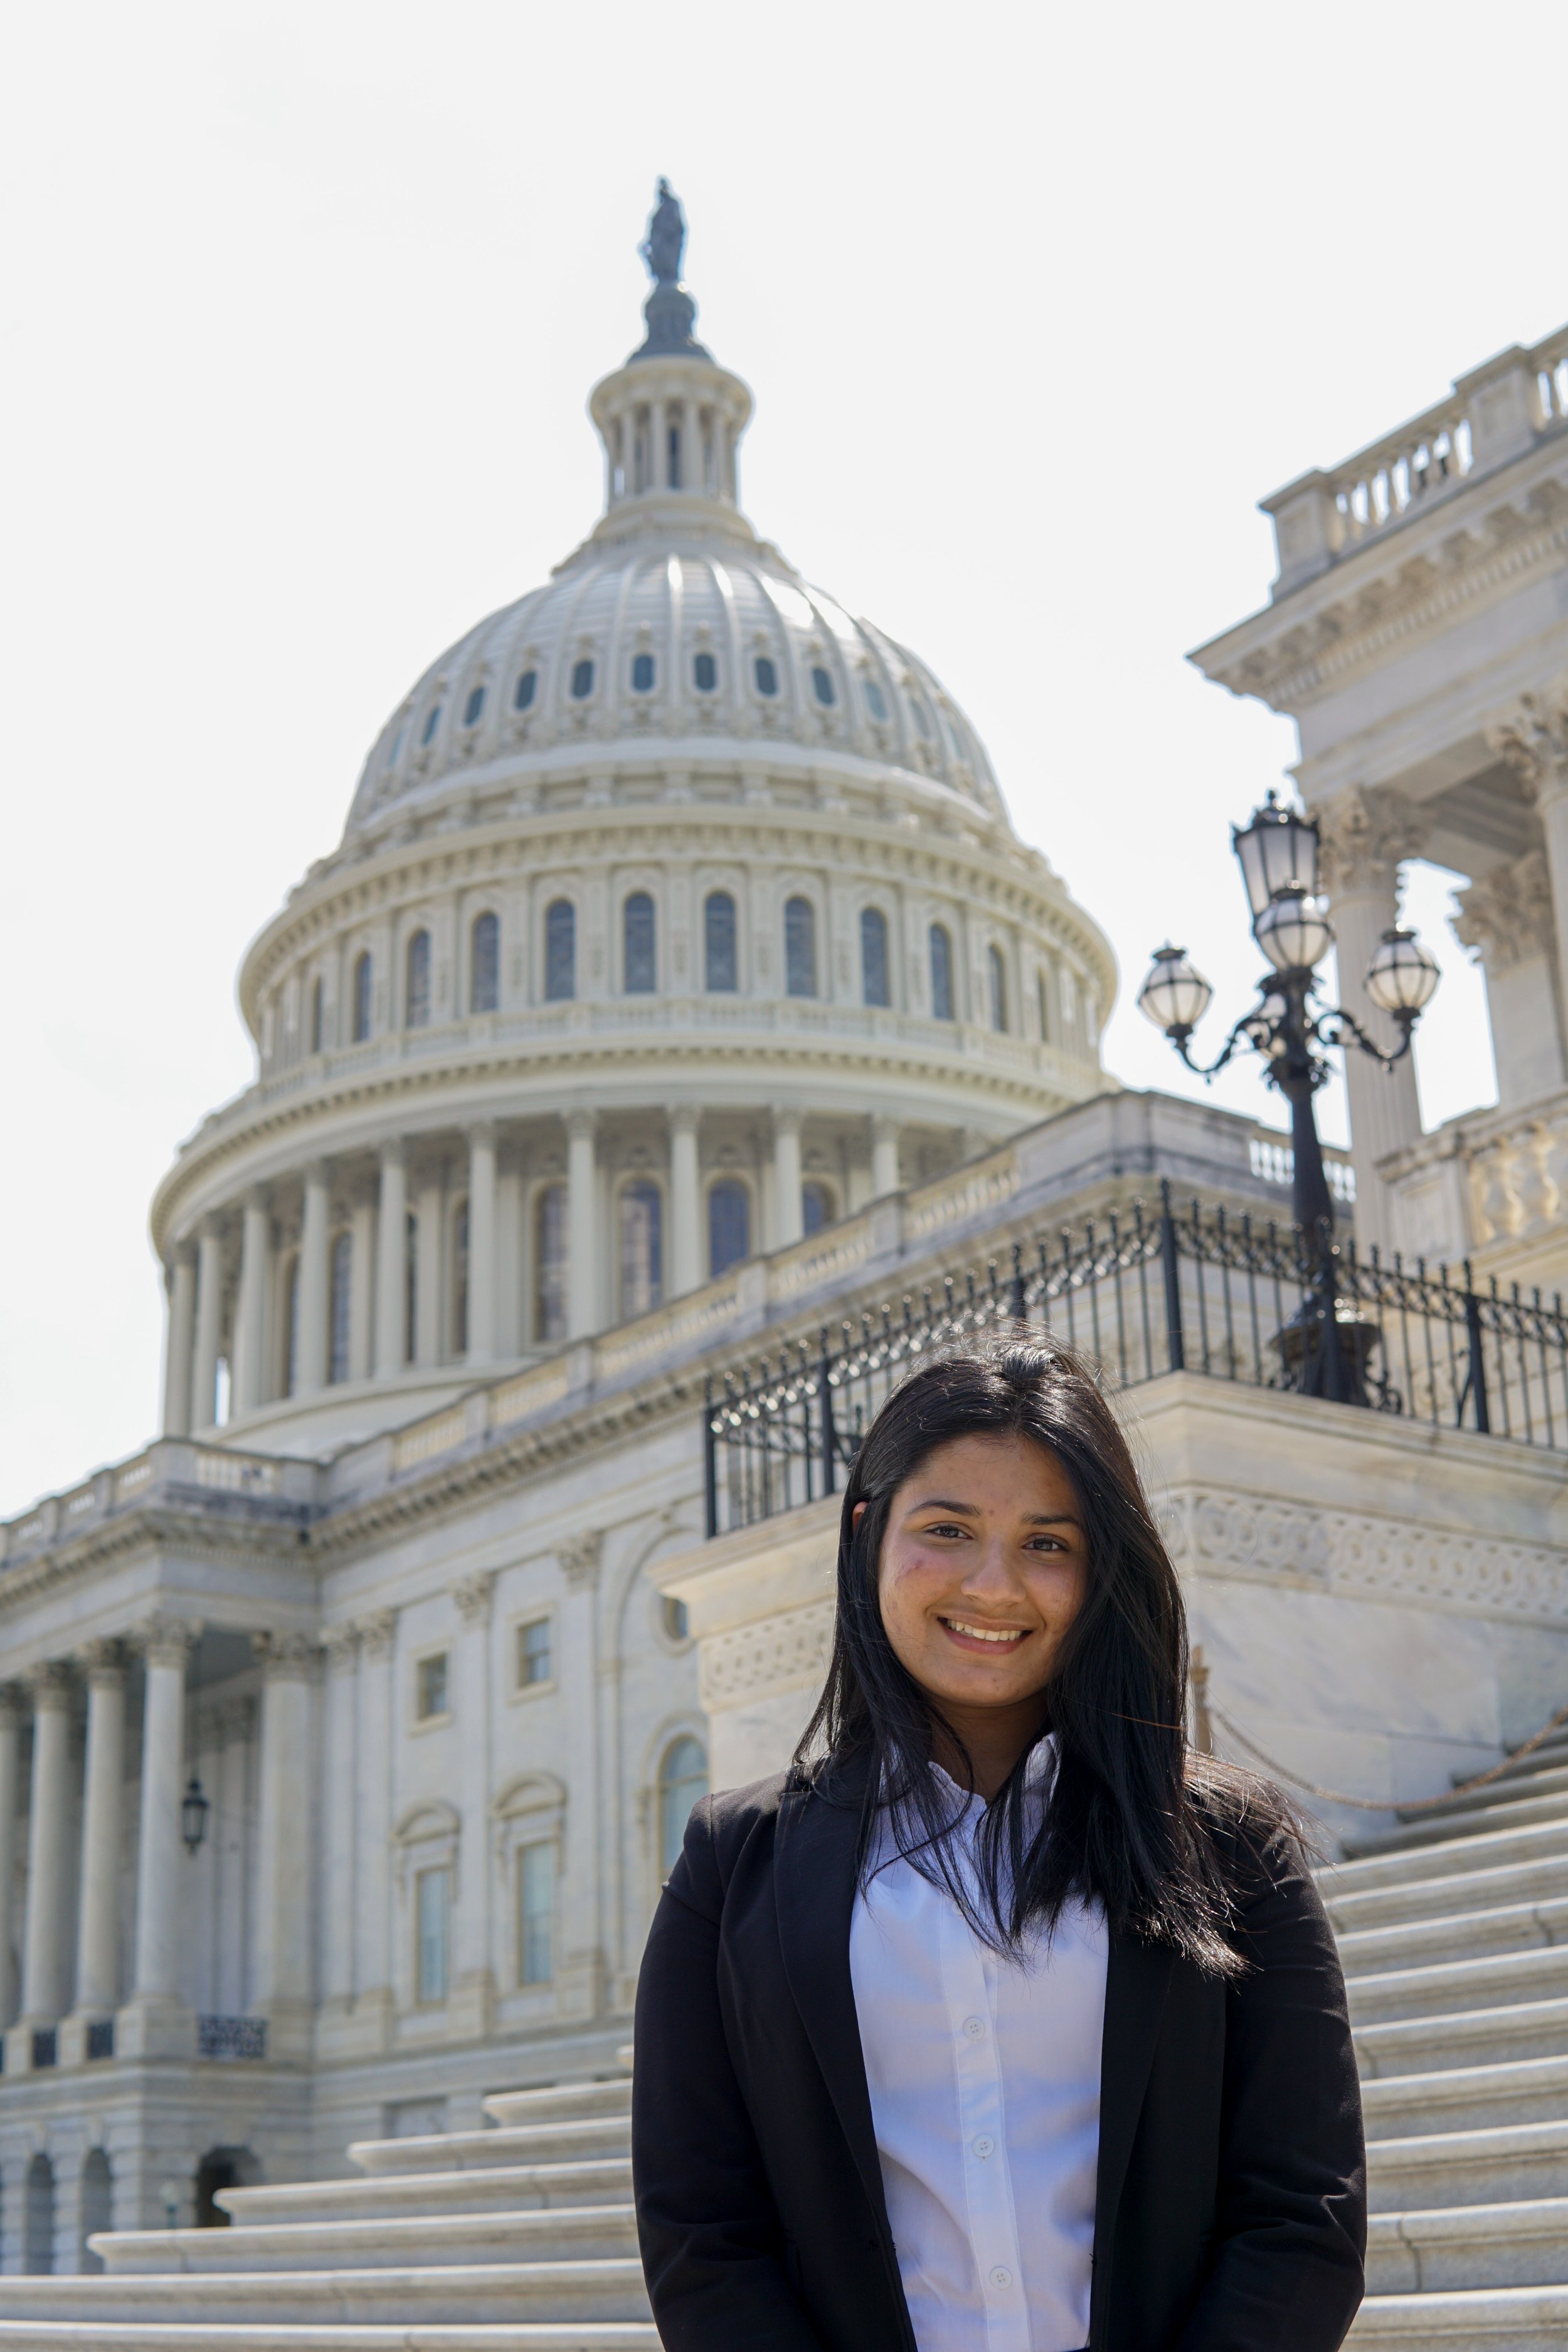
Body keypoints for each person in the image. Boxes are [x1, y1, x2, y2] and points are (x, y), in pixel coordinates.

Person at [633, 1333, 1365, 2352]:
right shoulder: (731, 1864)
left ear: (1101, 1567)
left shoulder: (1232, 1848)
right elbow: (701, 2234)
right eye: (949, 1528)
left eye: (1048, 1543)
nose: (993, 1585)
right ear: (869, 1534)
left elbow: (1303, 2211)